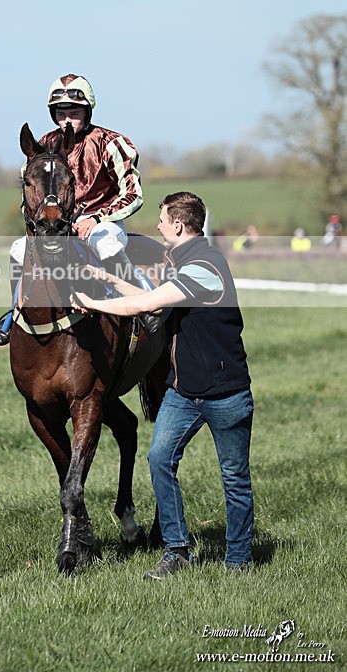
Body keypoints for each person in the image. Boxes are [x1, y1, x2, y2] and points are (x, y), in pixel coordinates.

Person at [72, 191, 254, 578]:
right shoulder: (182, 264)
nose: (156, 226)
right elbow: (154, 301)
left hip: (226, 393)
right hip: (184, 393)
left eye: (161, 219)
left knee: (234, 477)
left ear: (179, 225)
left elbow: (144, 306)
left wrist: (94, 302)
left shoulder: (206, 266)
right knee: (159, 459)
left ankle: (238, 560)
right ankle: (177, 550)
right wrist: (107, 279)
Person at [0, 74, 145, 345]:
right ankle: (15, 312)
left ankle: (141, 306)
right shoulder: (44, 144)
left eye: (73, 113)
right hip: (60, 226)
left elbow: (134, 195)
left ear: (87, 112)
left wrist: (96, 218)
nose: (66, 120)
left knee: (105, 243)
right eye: (61, 114)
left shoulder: (110, 142)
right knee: (18, 249)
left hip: (103, 223)